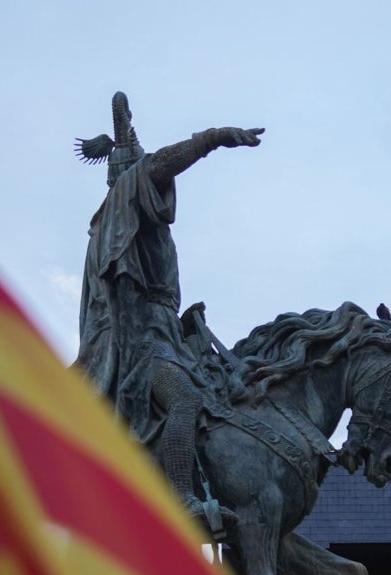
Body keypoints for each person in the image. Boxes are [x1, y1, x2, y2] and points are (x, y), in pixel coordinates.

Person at [74, 91, 263, 522]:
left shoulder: (123, 224)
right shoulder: (124, 208)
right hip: (143, 342)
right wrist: (213, 137)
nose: (157, 182)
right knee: (185, 399)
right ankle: (180, 496)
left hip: (165, 335)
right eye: (146, 174)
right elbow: (162, 163)